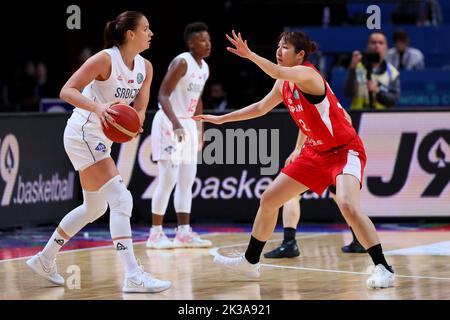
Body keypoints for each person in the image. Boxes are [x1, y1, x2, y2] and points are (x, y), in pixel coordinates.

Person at [194, 30, 395, 289]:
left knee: (347, 204)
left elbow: (277, 72)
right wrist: (222, 119)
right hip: (315, 152)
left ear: (300, 55)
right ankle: (250, 261)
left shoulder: (307, 74)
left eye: (285, 47)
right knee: (269, 200)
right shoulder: (284, 83)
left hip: (344, 150)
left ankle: (383, 267)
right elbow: (260, 108)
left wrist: (250, 55)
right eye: (278, 45)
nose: (279, 51)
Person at [26, 11, 172, 293]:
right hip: (82, 132)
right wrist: (98, 107)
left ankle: (45, 259)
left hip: (101, 138)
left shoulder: (146, 67)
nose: (151, 33)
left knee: (94, 208)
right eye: (146, 28)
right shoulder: (106, 59)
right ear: (130, 34)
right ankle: (133, 275)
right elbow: (67, 91)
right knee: (122, 199)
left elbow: (140, 108)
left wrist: (135, 122)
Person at [146, 22, 212, 249]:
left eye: (209, 39)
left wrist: (200, 129)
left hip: (188, 124)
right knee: (168, 180)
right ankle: (155, 234)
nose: (208, 44)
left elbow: (198, 100)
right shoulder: (182, 62)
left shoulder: (204, 68)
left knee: (187, 180)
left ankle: (183, 232)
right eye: (203, 40)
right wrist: (175, 123)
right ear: (191, 43)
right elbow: (163, 94)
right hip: (169, 122)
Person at [265, 121, 365, 259]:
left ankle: (289, 242)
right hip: (340, 155)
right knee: (340, 198)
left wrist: (298, 148)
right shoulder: (335, 108)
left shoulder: (315, 104)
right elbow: (347, 124)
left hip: (320, 157)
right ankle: (359, 239)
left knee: (291, 196)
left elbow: (306, 126)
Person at [344, 31, 400, 110]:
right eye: (373, 43)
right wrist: (352, 69)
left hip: (382, 118)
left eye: (381, 43)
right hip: (359, 116)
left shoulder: (392, 72)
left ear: (386, 48)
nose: (377, 46)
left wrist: (378, 91)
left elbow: (394, 100)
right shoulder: (357, 67)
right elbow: (347, 92)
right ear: (367, 46)